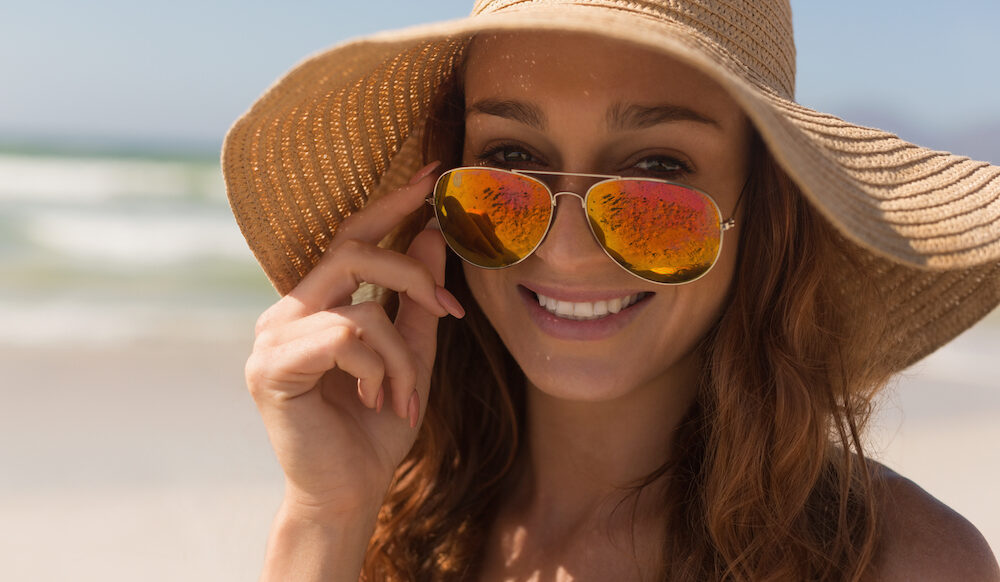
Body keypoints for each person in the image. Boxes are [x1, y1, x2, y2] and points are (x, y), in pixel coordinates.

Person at [222, 1, 1000, 580]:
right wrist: (326, 517)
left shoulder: (901, 564)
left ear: (762, 212)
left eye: (658, 171)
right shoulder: (391, 532)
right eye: (514, 159)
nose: (564, 252)